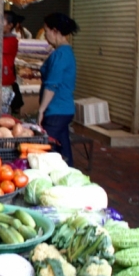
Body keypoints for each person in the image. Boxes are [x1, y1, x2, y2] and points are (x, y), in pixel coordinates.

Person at [38, 12, 79, 166]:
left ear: (55, 31)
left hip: (56, 111)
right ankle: (69, 176)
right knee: (63, 152)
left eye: (46, 30)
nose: (45, 34)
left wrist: (41, 110)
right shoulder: (66, 52)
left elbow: (52, 85)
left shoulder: (60, 54)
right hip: (64, 109)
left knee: (45, 149)